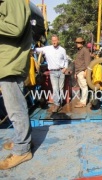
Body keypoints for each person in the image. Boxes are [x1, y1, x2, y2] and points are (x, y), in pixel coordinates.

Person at [0, 0, 32, 169]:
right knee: (16, 107)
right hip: (8, 63)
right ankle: (21, 140)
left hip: (10, 63)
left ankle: (22, 150)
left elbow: (15, 28)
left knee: (15, 109)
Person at [35, 35, 68, 112]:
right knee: (55, 89)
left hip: (61, 71)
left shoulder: (62, 50)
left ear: (58, 40)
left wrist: (65, 68)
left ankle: (60, 102)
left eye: (55, 40)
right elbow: (37, 50)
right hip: (53, 72)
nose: (54, 42)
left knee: (61, 88)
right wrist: (29, 47)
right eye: (53, 40)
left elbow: (66, 60)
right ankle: (56, 104)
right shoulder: (47, 49)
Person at [74, 37, 91, 108]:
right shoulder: (79, 51)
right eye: (77, 42)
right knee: (81, 86)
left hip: (82, 71)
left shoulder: (85, 50)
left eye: (79, 43)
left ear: (82, 43)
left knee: (84, 86)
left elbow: (88, 62)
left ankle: (83, 102)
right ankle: (82, 100)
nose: (77, 44)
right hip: (78, 71)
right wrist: (75, 73)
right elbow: (78, 62)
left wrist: (86, 71)